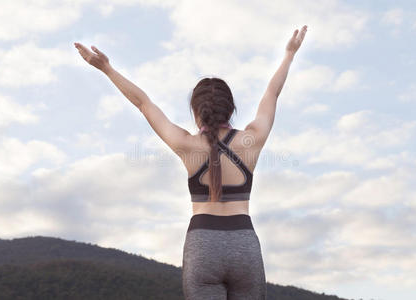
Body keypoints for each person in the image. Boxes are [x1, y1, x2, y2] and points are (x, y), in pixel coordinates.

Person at [74, 24, 307, 300]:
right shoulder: (251, 141)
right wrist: (289, 54)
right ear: (231, 109)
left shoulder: (186, 144)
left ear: (197, 112)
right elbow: (272, 94)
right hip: (244, 244)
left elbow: (144, 104)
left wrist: (107, 70)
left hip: (203, 246)